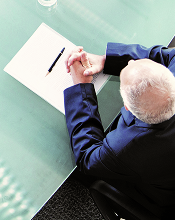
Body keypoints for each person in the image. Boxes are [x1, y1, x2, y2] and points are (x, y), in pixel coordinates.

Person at [64, 43, 175, 218]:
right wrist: (106, 60)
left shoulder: (126, 146)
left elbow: (87, 156)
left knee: (83, 175)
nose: (130, 63)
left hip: (164, 200)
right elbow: (170, 55)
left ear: (127, 107)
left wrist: (80, 87)